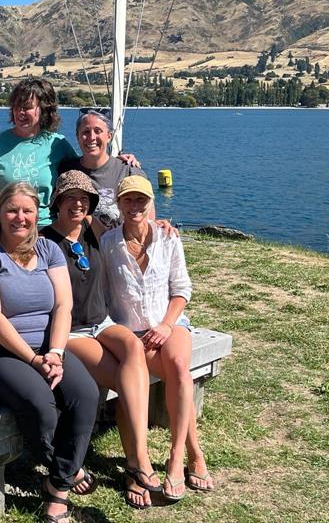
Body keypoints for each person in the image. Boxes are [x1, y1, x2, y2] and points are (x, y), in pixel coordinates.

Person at [0, 182, 100, 523]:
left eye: (27, 210)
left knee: (86, 394)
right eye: (11, 209)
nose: (19, 217)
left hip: (46, 349)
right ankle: (67, 471)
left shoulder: (49, 249)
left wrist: (55, 352)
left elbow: (64, 306)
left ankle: (57, 487)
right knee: (41, 406)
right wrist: (35, 360)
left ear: (38, 214)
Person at [41, 171, 158, 509]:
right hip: (72, 330)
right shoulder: (46, 241)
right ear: (58, 202)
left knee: (133, 349)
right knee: (126, 377)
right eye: (70, 197)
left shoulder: (96, 230)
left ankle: (137, 460)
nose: (77, 203)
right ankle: (138, 464)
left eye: (84, 198)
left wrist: (160, 223)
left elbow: (133, 213)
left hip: (103, 322)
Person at [100, 175, 214, 500]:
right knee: (160, 376)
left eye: (141, 200)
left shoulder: (168, 238)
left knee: (178, 365)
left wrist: (166, 325)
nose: (135, 206)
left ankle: (177, 457)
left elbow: (182, 289)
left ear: (152, 203)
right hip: (133, 333)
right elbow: (105, 297)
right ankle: (196, 453)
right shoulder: (108, 244)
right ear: (119, 205)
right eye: (128, 200)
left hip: (170, 324)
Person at [0, 77, 77, 227]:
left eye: (27, 107)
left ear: (43, 109)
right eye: (16, 106)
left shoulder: (57, 144)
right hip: (6, 227)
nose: (20, 112)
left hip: (46, 226)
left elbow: (84, 171)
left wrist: (119, 161)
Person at [58, 108, 146, 227]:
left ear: (109, 136)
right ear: (78, 136)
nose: (92, 137)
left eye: (98, 131)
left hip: (117, 242)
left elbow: (147, 214)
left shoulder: (128, 171)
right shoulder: (66, 172)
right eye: (85, 132)